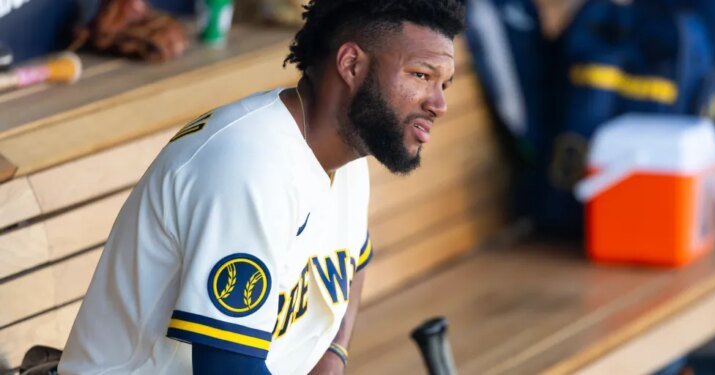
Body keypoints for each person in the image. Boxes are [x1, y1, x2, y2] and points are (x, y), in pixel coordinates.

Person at [57, 0, 465, 374]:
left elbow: (352, 260)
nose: (438, 103)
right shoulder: (248, 165)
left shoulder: (350, 148)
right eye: (421, 75)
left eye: (443, 84)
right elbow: (225, 370)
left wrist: (331, 354)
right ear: (352, 65)